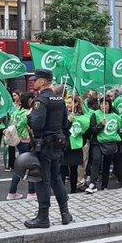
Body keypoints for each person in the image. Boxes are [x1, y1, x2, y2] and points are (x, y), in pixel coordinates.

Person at [25, 69, 72, 229]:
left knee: (41, 180)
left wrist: (29, 117)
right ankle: (65, 213)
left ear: (44, 81)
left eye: (36, 79)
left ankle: (43, 217)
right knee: (56, 178)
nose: (34, 81)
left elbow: (36, 124)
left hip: (43, 145)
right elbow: (66, 123)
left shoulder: (41, 100)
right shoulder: (59, 99)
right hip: (57, 144)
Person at [86, 97, 122, 193]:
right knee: (96, 160)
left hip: (110, 142)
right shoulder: (95, 115)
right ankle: (93, 184)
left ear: (109, 105)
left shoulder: (116, 116)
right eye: (102, 104)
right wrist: (100, 125)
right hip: (97, 142)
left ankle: (105, 185)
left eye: (106, 104)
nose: (104, 106)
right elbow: (92, 130)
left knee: (107, 164)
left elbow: (118, 130)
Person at [6, 91, 37, 200]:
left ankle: (12, 192)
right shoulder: (28, 113)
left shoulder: (16, 112)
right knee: (30, 166)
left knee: (20, 165)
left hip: (18, 141)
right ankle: (31, 192)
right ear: (30, 101)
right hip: (27, 141)